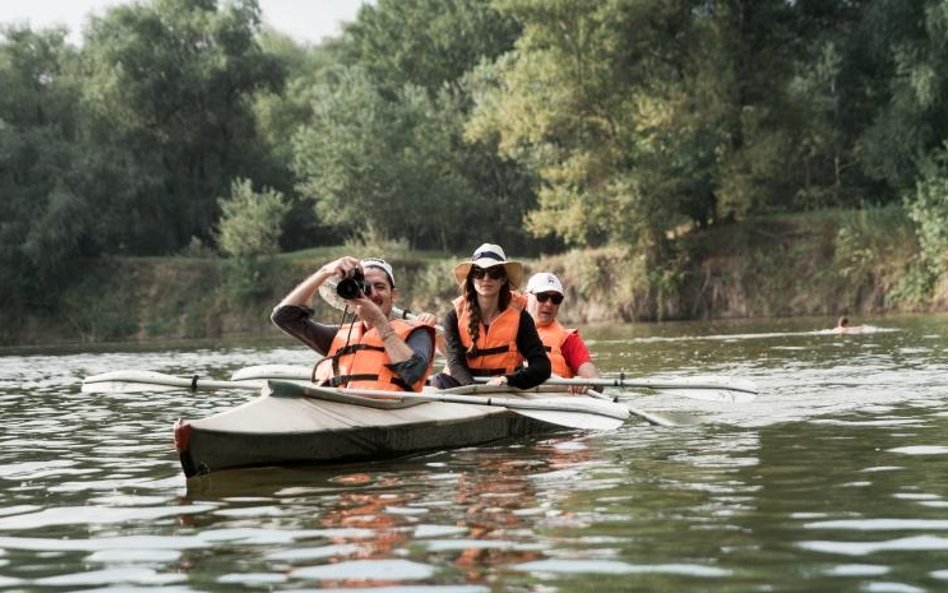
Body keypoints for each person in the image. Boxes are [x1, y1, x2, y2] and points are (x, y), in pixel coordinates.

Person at [270, 256, 436, 392]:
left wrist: (380, 323)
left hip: (386, 416)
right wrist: (325, 271)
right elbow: (283, 317)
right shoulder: (338, 337)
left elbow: (414, 373)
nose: (372, 294)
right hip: (339, 413)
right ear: (351, 296)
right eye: (365, 288)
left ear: (394, 295)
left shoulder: (417, 332)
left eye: (380, 287)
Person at [432, 243, 551, 389]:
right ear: (471, 279)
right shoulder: (452, 317)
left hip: (505, 390)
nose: (486, 278)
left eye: (494, 272)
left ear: (503, 280)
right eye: (478, 272)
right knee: (438, 380)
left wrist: (508, 380)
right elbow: (456, 365)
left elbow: (542, 366)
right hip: (466, 390)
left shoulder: (522, 318)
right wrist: (476, 391)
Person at [525, 272, 600, 393]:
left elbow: (595, 381)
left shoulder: (569, 340)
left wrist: (585, 382)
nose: (549, 304)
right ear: (527, 297)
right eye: (542, 297)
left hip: (553, 399)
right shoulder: (507, 329)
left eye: (556, 299)